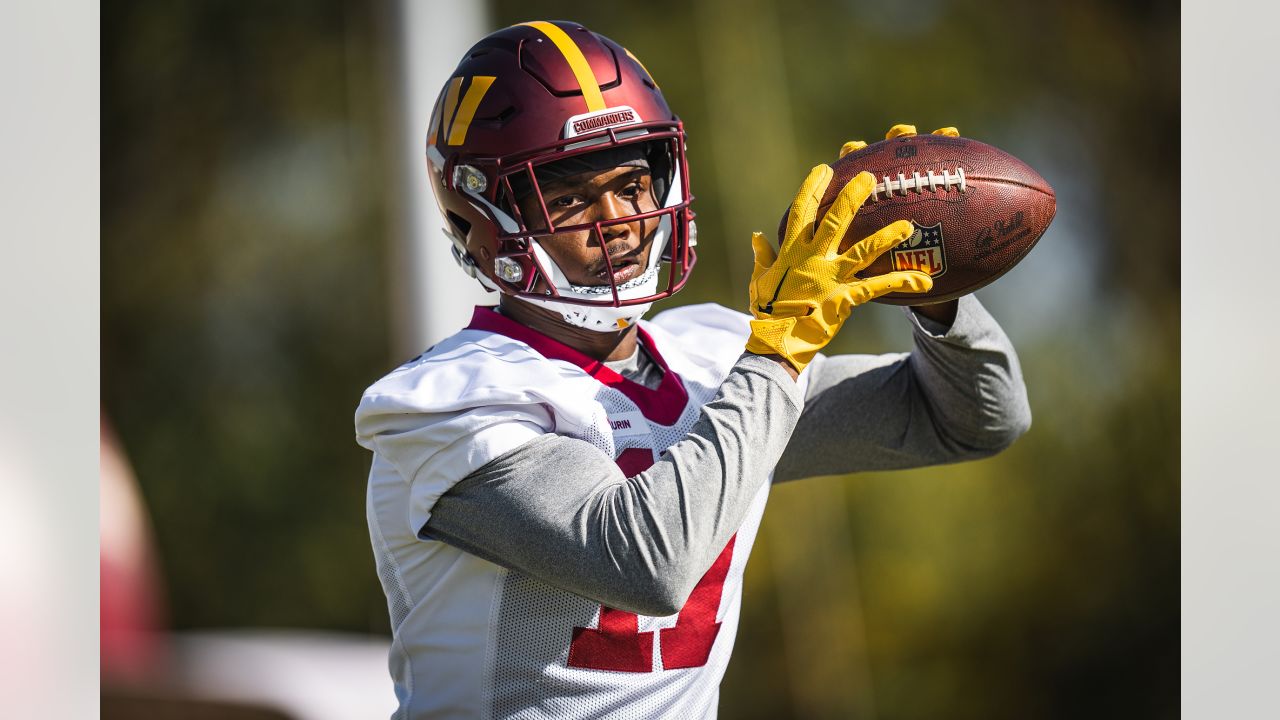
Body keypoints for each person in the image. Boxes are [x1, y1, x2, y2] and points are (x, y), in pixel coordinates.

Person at [355, 20, 1030, 719]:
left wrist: (937, 292)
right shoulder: (445, 402)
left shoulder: (714, 356)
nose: (616, 219)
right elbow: (645, 561)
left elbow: (974, 419)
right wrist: (776, 356)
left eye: (632, 184)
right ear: (481, 220)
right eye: (568, 198)